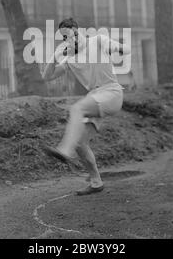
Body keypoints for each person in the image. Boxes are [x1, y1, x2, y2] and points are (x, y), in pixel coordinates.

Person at [41, 17, 130, 195]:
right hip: (95, 97)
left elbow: (125, 49)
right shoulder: (69, 57)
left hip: (111, 93)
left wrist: (119, 48)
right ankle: (96, 182)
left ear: (76, 30)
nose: (67, 40)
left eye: (68, 35)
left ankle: (65, 151)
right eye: (63, 38)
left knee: (76, 109)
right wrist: (54, 56)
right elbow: (47, 76)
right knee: (81, 143)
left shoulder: (97, 41)